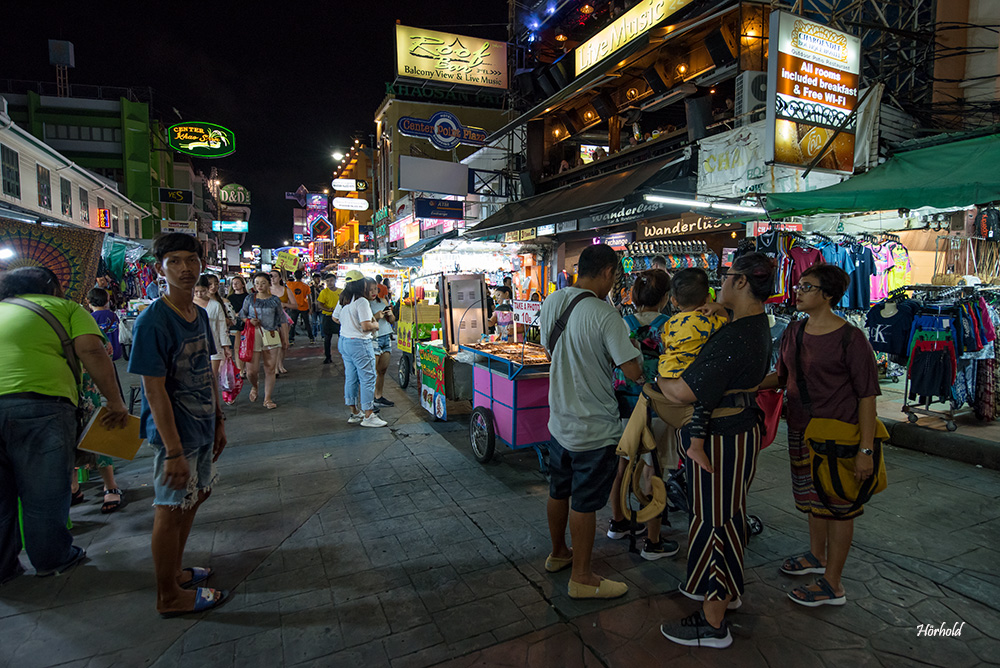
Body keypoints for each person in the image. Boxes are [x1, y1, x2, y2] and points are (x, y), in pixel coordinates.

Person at [654, 253, 774, 649]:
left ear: (741, 283)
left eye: (725, 278)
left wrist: (659, 380)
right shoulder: (750, 324)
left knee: (717, 522)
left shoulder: (737, 335)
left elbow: (686, 390)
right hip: (734, 429)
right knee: (725, 516)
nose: (717, 285)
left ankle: (713, 621)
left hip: (724, 434)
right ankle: (724, 592)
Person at [0, 267, 129, 583]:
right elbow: (91, 351)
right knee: (44, 490)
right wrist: (114, 402)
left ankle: (3, 567)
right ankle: (51, 558)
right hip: (42, 405)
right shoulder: (65, 308)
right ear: (53, 288)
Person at [127, 233, 229, 617]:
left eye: (191, 260)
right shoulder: (152, 321)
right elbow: (153, 391)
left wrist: (219, 420)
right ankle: (168, 595)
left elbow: (206, 374)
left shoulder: (199, 314)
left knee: (193, 500)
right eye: (175, 261)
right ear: (160, 269)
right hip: (174, 435)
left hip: (203, 426)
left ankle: (174, 573)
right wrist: (172, 451)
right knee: (170, 509)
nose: (185, 268)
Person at [766, 265, 879, 607]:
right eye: (799, 285)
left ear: (828, 295)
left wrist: (866, 450)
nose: (798, 291)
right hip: (802, 429)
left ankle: (833, 584)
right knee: (814, 500)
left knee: (839, 506)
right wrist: (741, 384)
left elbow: (867, 396)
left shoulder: (850, 338)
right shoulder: (795, 331)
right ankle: (817, 556)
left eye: (808, 287)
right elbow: (782, 377)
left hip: (839, 436)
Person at [539, 244, 643, 600]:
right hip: (594, 427)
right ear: (608, 273)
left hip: (559, 422)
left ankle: (558, 553)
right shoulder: (605, 314)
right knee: (584, 501)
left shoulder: (552, 302)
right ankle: (582, 576)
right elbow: (632, 370)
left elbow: (550, 350)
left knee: (559, 489)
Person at [608, 270, 676, 560]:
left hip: (623, 403)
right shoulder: (671, 327)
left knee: (621, 464)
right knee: (654, 469)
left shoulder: (621, 325)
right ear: (666, 298)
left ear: (634, 296)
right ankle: (652, 540)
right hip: (658, 405)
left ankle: (618, 522)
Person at [658, 268, 729, 475]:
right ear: (707, 297)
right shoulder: (709, 321)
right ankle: (696, 446)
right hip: (690, 375)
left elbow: (665, 342)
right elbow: (727, 323)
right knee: (705, 402)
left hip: (667, 371)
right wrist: (719, 308)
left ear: (673, 301)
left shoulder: (670, 323)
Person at [85, 287, 127, 514]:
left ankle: (109, 483)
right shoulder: (111, 316)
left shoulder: (87, 319)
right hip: (107, 366)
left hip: (90, 379)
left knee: (98, 423)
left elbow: (101, 349)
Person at [332, 271, 386, 428]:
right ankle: (368, 414)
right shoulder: (361, 301)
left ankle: (354, 412)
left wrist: (348, 323)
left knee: (351, 377)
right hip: (360, 344)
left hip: (344, 342)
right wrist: (376, 324)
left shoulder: (344, 299)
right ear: (361, 284)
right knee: (368, 378)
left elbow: (335, 318)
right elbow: (366, 326)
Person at [238, 273, 284, 410]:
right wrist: (249, 321)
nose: (259, 286)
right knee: (251, 371)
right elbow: (242, 315)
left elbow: (281, 319)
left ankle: (267, 398)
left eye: (263, 283)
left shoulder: (275, 300)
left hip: (271, 334)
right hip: (253, 335)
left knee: (270, 368)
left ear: (269, 283)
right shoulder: (249, 299)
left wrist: (285, 338)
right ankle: (255, 386)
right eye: (257, 283)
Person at [193, 276, 232, 380]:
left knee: (212, 377)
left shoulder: (215, 305)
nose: (199, 294)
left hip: (214, 345)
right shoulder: (188, 305)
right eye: (196, 291)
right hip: (193, 347)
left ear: (207, 289)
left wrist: (226, 347)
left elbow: (221, 327)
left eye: (202, 291)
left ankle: (212, 396)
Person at [367, 278, 396, 407]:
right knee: (371, 371)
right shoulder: (363, 304)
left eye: (375, 289)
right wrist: (376, 317)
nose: (373, 292)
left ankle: (378, 396)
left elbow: (392, 320)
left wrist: (390, 315)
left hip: (386, 336)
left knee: (382, 370)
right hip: (374, 338)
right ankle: (369, 399)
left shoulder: (383, 301)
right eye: (370, 289)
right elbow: (364, 323)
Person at [226, 276, 249, 378]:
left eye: (237, 283)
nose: (235, 285)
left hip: (247, 323)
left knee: (246, 346)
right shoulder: (229, 298)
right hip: (234, 324)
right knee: (236, 347)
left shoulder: (248, 297)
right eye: (233, 283)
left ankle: (244, 368)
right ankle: (240, 370)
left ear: (243, 284)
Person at [284, 269, 314, 345]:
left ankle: (291, 339)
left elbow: (284, 279)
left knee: (293, 324)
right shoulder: (306, 286)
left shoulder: (290, 284)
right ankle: (311, 338)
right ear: (302, 276)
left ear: (294, 276)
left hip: (294, 307)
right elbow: (309, 298)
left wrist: (283, 269)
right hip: (304, 307)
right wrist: (310, 308)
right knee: (307, 324)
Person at [318, 274, 342, 364]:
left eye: (331, 280)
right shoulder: (324, 292)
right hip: (328, 317)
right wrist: (328, 309)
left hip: (339, 317)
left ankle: (344, 355)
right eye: (327, 281)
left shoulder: (341, 291)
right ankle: (328, 357)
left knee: (342, 337)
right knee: (327, 338)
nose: (329, 283)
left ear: (335, 280)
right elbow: (320, 304)